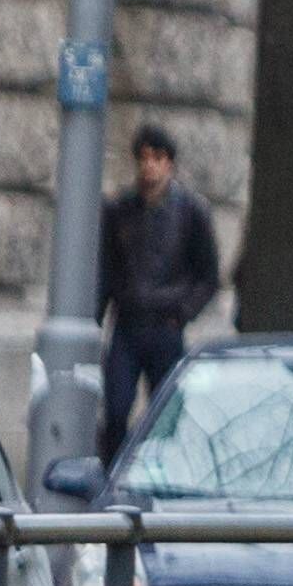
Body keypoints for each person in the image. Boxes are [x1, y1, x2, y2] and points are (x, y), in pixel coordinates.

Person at [96, 126, 222, 453]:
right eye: (143, 158)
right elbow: (107, 271)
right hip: (127, 324)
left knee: (164, 416)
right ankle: (112, 476)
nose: (149, 166)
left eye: (157, 158)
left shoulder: (191, 212)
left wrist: (182, 313)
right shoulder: (119, 210)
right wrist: (97, 320)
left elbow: (208, 276)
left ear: (170, 163)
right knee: (116, 409)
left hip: (166, 325)